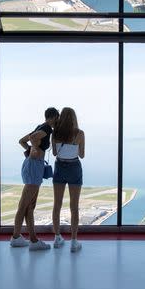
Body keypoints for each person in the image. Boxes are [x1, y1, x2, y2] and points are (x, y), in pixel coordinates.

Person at [11, 107, 59, 251]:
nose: (58, 121)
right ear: (53, 117)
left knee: (30, 206)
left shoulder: (40, 126)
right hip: (34, 166)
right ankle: (15, 237)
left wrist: (31, 150)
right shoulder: (47, 129)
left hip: (32, 164)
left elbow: (22, 141)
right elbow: (32, 139)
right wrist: (35, 151)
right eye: (57, 118)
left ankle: (33, 240)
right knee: (23, 205)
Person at [51, 107, 85, 252]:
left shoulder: (55, 133)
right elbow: (82, 155)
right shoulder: (79, 133)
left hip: (59, 166)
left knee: (57, 204)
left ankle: (57, 238)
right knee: (74, 206)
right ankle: (74, 241)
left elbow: (53, 153)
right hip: (74, 168)